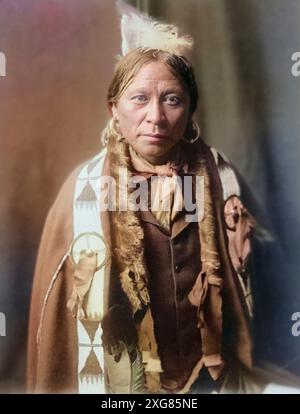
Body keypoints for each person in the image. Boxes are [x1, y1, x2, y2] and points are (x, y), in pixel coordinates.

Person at [26, 4, 285, 394]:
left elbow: (258, 287)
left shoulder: (221, 176)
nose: (156, 118)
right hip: (124, 385)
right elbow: (59, 328)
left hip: (209, 377)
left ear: (190, 110)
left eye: (172, 100)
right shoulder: (83, 193)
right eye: (139, 99)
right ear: (114, 110)